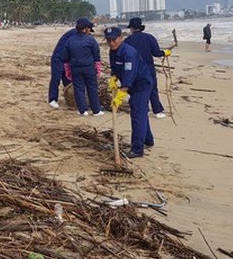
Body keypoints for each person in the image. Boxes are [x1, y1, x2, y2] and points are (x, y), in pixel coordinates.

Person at [104, 26, 155, 158]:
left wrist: (120, 96)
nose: (111, 43)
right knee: (141, 112)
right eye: (108, 41)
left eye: (113, 40)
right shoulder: (113, 51)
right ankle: (148, 140)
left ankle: (137, 149)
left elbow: (129, 77)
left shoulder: (129, 53)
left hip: (141, 84)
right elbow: (114, 67)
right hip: (132, 84)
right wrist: (114, 78)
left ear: (121, 38)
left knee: (137, 114)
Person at [124, 18, 172, 119]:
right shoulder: (149, 38)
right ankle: (157, 111)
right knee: (152, 88)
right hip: (148, 67)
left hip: (134, 68)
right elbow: (156, 52)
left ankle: (142, 109)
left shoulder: (128, 40)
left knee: (135, 89)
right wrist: (165, 53)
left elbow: (125, 56)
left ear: (131, 28)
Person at [58, 18, 104, 116]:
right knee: (92, 88)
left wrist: (67, 70)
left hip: (75, 68)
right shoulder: (90, 40)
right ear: (86, 28)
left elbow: (65, 57)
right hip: (89, 67)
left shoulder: (70, 41)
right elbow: (96, 55)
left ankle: (83, 110)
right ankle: (96, 110)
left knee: (79, 89)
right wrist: (98, 68)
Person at [47, 26, 75, 108]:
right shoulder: (73, 35)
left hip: (66, 60)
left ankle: (70, 99)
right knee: (56, 79)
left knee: (68, 80)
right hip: (58, 59)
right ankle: (52, 99)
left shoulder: (76, 35)